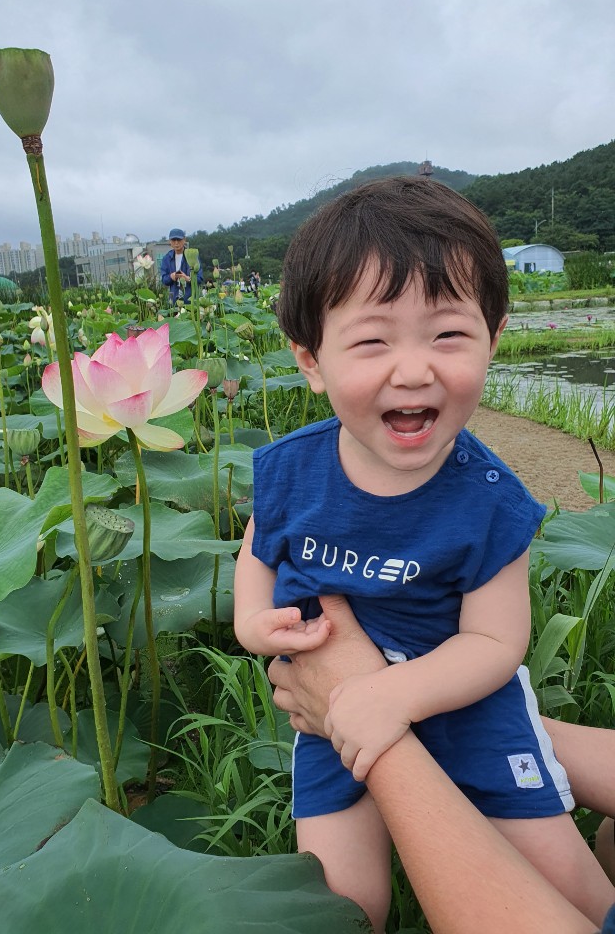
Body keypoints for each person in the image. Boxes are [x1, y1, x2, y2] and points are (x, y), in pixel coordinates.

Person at [233, 176, 615, 930]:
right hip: (330, 713)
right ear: (310, 361)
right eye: (373, 341)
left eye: (447, 335)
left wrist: (389, 699)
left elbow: (496, 643)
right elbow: (258, 549)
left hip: (470, 711)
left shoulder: (493, 500)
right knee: (343, 904)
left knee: (563, 886)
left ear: (493, 337)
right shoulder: (289, 469)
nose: (414, 369)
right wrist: (253, 621)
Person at [268, 595, 615, 934]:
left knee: (572, 889)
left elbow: (498, 638)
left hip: (404, 695)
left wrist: (369, 720)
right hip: (451, 694)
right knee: (338, 903)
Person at [159, 228, 203, 304]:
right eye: (173, 240)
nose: (176, 243)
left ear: (184, 240)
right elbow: (163, 280)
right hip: (172, 296)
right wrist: (171, 277)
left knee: (189, 313)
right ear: (170, 241)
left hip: (190, 298)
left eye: (179, 240)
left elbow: (200, 278)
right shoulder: (166, 258)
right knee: (170, 312)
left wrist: (188, 279)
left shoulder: (192, 255)